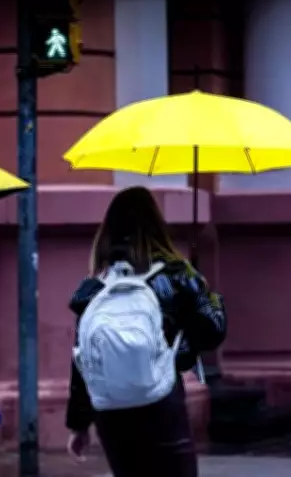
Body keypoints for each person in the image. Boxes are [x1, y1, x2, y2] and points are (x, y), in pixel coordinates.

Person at [65, 186, 227, 477]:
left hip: (110, 411)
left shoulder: (95, 287)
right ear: (156, 225)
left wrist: (79, 424)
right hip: (161, 402)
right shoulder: (176, 275)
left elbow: (81, 362)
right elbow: (212, 332)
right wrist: (206, 294)